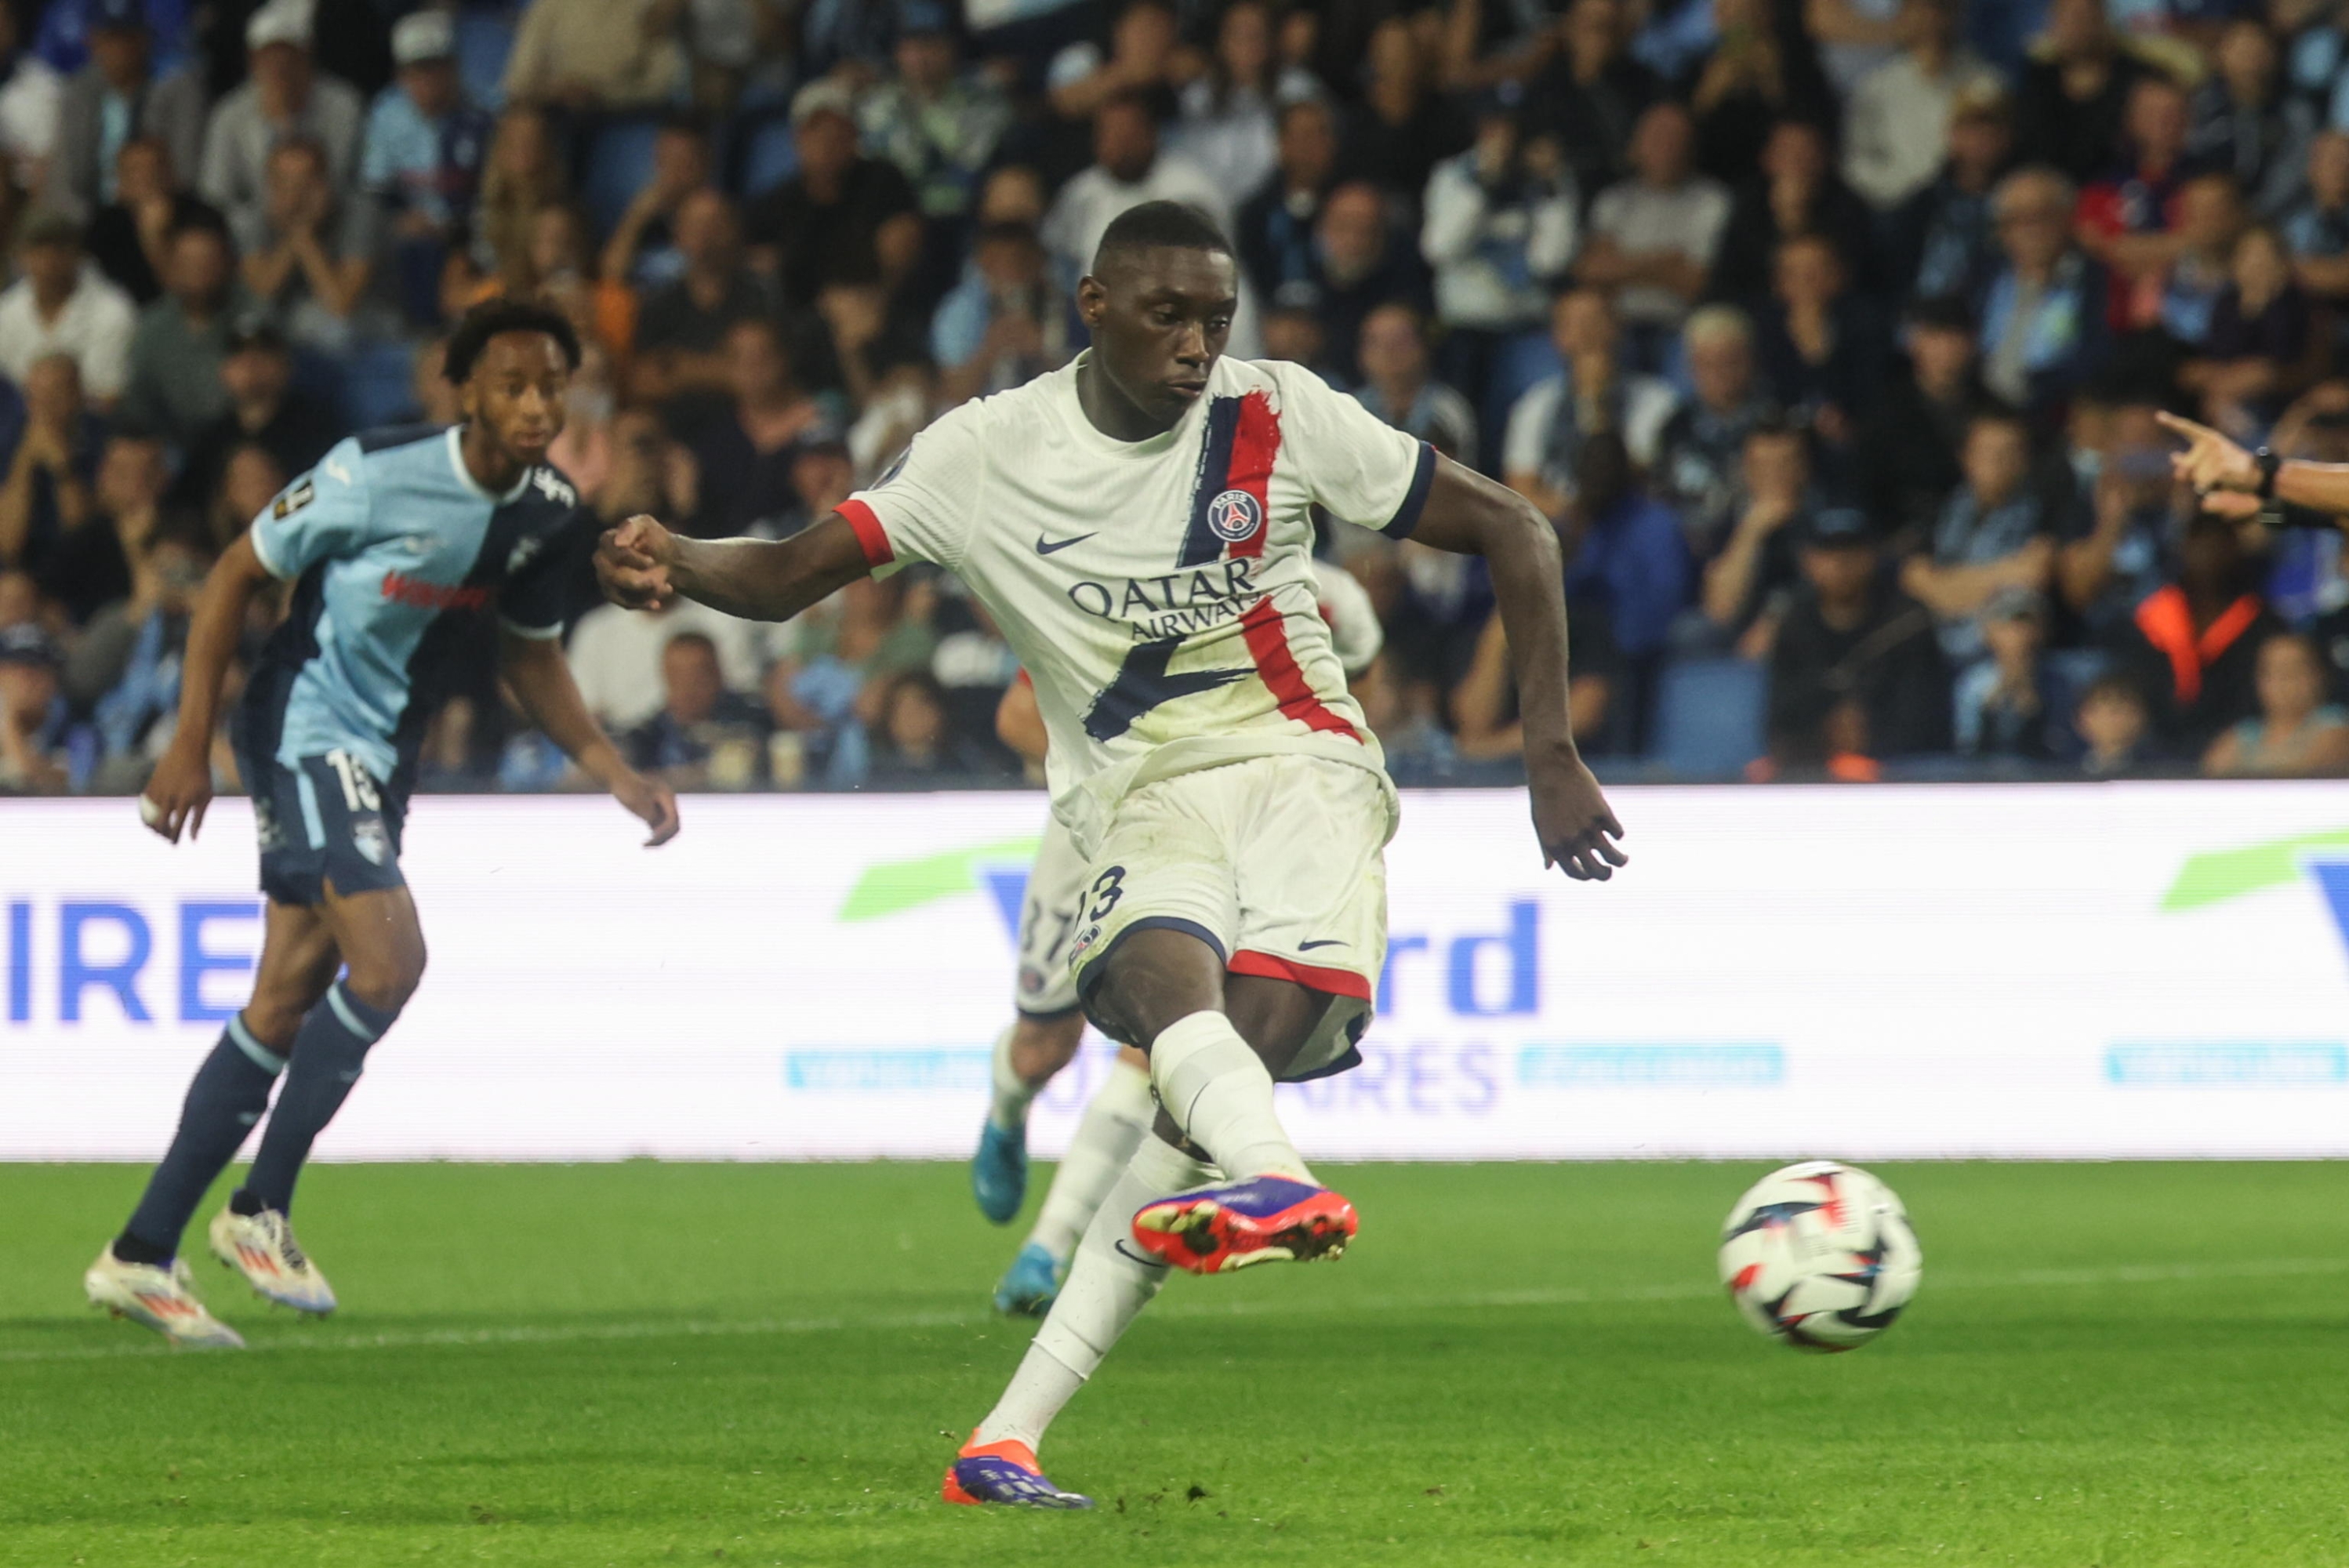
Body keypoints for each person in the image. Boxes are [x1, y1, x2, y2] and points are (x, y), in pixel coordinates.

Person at [592, 200, 1626, 1506]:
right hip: (1137, 793)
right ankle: (1275, 1190)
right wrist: (674, 555)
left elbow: (1518, 530)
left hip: (1301, 763)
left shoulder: (1279, 414)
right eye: (1168, 316)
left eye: (1216, 318)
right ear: (1091, 306)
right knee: (1155, 998)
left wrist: (1548, 754)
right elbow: (795, 572)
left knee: (1229, 1069)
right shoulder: (985, 453)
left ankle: (1007, 1437)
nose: (1198, 345)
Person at [85, 300, 679, 1348]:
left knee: (284, 997)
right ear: (466, 391)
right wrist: (189, 744)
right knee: (391, 959)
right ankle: (260, 1208)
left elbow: (530, 652)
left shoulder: (548, 509)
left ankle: (140, 1254)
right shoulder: (371, 470)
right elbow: (233, 575)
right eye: (513, 384)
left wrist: (613, 771)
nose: (537, 404)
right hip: (305, 728)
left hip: (380, 759)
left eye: (552, 385)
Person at [978, 559, 1386, 1319]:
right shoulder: (1134, 572)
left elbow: (1356, 697)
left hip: (1238, 833)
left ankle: (1049, 1244)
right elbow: (1015, 717)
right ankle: (1006, 1107)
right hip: (1104, 831)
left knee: (1166, 1038)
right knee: (1042, 1049)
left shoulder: (1335, 602)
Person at [1766, 506, 1952, 768]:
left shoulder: (1908, 620)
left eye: (1852, 551)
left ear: (1872, 556)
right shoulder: (1795, 623)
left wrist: (1868, 732)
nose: (1841, 563)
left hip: (1899, 774)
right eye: (1828, 552)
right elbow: (1779, 720)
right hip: (1814, 771)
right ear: (1808, 561)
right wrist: (1826, 731)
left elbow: (1927, 720)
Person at [1576, 101, 1731, 368]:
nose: (1666, 147)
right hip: (1619, 329)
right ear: (1636, 145)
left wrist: (1622, 264)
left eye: (1675, 139)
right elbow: (1591, 272)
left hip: (1682, 328)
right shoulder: (1613, 200)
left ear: (1691, 146)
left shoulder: (1712, 201)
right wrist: (1667, 261)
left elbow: (1695, 283)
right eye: (1656, 138)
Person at [1903, 408, 2059, 668]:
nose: (1999, 461)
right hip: (1932, 652)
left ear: (2025, 460)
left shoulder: (2042, 510)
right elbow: (1914, 577)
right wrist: (2006, 573)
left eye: (2010, 452)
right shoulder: (1941, 509)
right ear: (1966, 457)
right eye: (1987, 451)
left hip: (2004, 659)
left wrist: (1946, 584)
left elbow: (2034, 574)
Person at [198, 3, 364, 240]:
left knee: (362, 214)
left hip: (329, 223)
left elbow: (344, 182)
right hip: (255, 233)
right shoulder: (230, 114)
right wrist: (266, 215)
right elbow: (215, 195)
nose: (279, 66)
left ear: (307, 55)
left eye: (289, 55)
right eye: (268, 56)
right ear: (252, 60)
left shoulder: (344, 105)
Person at [42, 0, 208, 226]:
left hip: (159, 218)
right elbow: (63, 180)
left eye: (127, 37)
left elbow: (186, 173)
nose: (119, 49)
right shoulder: (78, 94)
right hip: (88, 222)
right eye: (109, 38)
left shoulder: (176, 90)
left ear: (145, 40)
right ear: (93, 41)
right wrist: (92, 228)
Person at [0, 211, 137, 404]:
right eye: (38, 251)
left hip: (91, 427)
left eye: (58, 250)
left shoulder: (113, 311)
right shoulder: (6, 311)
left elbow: (109, 394)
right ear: (21, 256)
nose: (49, 262)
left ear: (77, 254)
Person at [1349, 303, 1479, 468]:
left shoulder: (1447, 411)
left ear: (1424, 346)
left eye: (1400, 340)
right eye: (1376, 342)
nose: (1389, 351)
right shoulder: (1351, 408)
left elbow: (1456, 482)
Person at [2202, 630, 2349, 776]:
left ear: (2320, 675)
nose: (2284, 681)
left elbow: (2298, 776)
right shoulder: (2244, 735)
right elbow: (2212, 772)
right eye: (2273, 672)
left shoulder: (2335, 726)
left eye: (2295, 670)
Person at [1953, 585, 2062, 759]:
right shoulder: (1973, 683)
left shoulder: (2059, 681)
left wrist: (2033, 705)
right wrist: (1991, 705)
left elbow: (2063, 743)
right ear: (1988, 632)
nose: (2017, 635)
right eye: (2006, 627)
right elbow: (1966, 745)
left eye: (2024, 625)